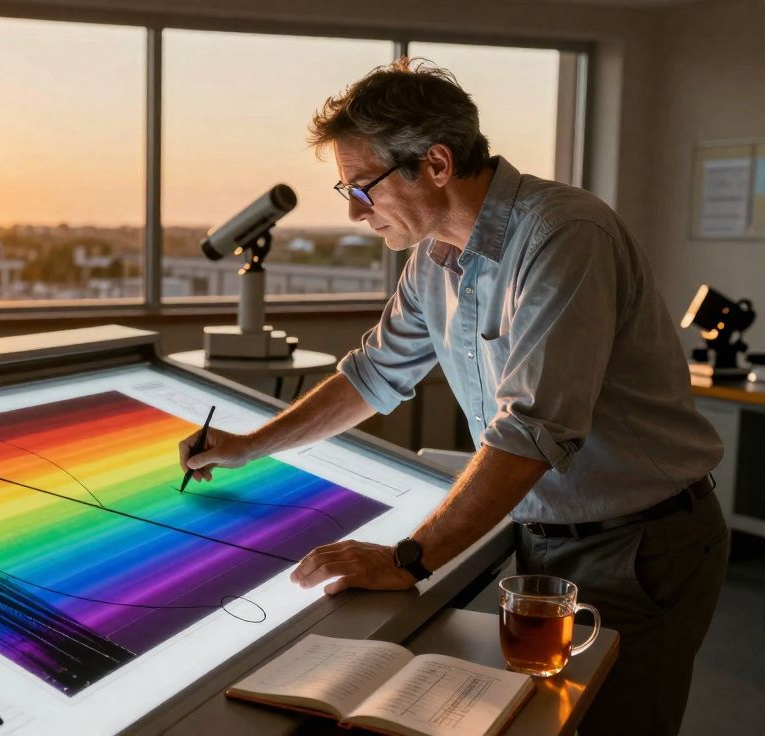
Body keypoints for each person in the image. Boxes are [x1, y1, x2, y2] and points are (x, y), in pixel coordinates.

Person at [179, 58, 729, 736]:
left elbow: (530, 431)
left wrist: (405, 558)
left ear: (436, 164)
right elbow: (371, 374)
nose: (354, 210)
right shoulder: (435, 259)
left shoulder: (563, 236)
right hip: (542, 539)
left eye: (362, 186)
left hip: (641, 544)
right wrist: (248, 446)